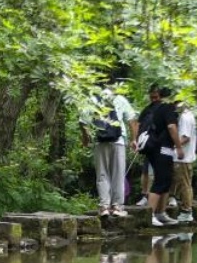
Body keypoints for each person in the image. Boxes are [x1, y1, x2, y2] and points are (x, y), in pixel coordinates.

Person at [79, 84, 137, 217]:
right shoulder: (120, 99)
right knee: (118, 175)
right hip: (118, 141)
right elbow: (132, 120)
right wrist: (134, 139)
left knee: (102, 175)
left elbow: (83, 121)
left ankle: (104, 207)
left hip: (100, 142)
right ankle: (117, 207)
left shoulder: (93, 100)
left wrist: (86, 139)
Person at [149, 88, 184, 227]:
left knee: (166, 181)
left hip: (163, 149)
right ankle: (150, 214)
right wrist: (179, 147)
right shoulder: (168, 108)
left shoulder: (158, 108)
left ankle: (160, 213)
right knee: (160, 181)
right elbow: (171, 127)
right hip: (161, 148)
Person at [168, 100, 197, 223]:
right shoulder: (190, 116)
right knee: (185, 183)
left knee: (184, 184)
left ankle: (186, 211)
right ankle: (186, 209)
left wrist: (173, 146)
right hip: (187, 157)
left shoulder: (185, 117)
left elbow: (185, 137)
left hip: (183, 158)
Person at [134, 85, 162, 205]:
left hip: (162, 146)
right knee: (146, 172)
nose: (154, 100)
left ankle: (167, 197)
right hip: (148, 145)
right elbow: (138, 124)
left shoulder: (165, 109)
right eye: (152, 97)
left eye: (156, 97)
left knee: (160, 173)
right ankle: (145, 195)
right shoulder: (147, 110)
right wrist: (136, 140)